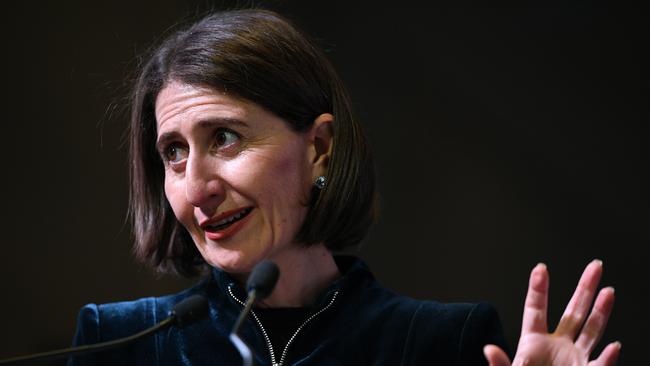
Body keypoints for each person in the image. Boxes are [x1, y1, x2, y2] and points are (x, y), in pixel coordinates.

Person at [68, 9, 619, 366]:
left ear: (320, 148)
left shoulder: (444, 343)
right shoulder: (118, 342)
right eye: (174, 153)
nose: (196, 188)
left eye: (226, 138)